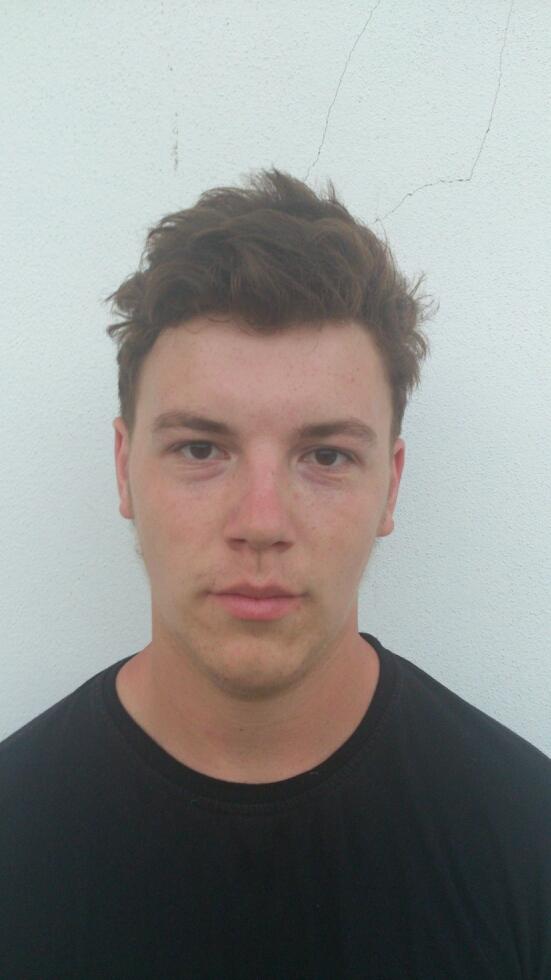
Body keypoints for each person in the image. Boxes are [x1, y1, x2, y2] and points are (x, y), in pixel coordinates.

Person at [1, 169, 549, 980]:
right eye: (200, 448)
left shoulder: (528, 839)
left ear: (390, 486)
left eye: (325, 456)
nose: (261, 522)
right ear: (123, 470)